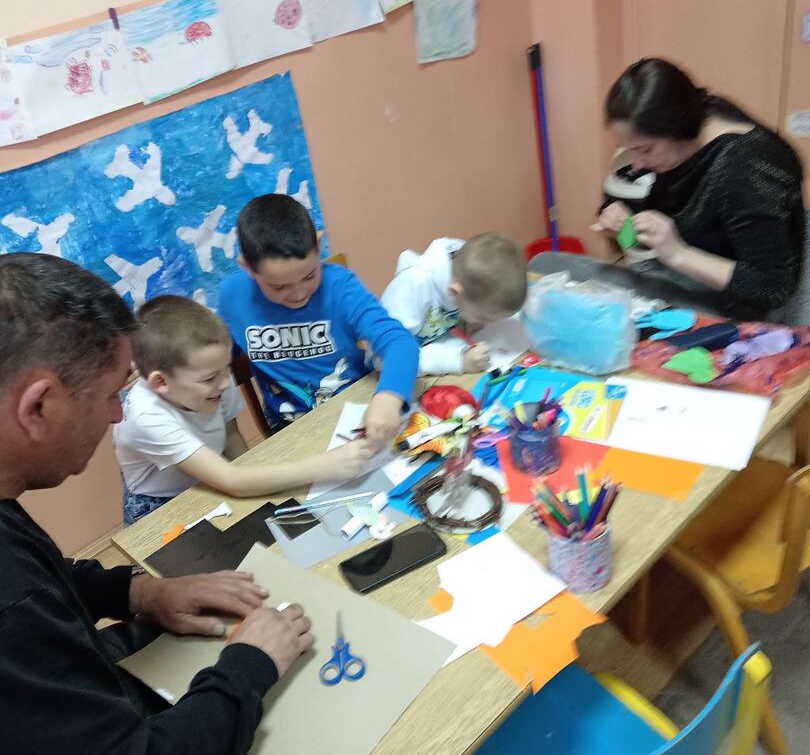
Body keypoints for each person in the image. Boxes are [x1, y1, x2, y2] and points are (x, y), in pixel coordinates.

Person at [0, 252, 391, 755]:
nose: (118, 417)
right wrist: (249, 666)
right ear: (38, 406)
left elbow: (48, 577)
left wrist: (141, 593)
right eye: (111, 396)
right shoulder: (11, 608)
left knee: (189, 641)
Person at [114, 294, 374, 525]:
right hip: (162, 503)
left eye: (225, 368)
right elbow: (231, 480)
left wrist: (256, 484)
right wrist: (326, 466)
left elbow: (230, 436)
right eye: (210, 378)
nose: (225, 383)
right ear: (161, 382)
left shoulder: (213, 375)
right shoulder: (145, 416)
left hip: (213, 475)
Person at [594, 57, 805, 319]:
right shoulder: (689, 134)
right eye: (629, 149)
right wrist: (616, 215)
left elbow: (772, 287)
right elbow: (659, 204)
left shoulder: (746, 166)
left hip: (742, 307)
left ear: (676, 127)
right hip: (691, 280)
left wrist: (678, 254)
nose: (636, 164)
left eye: (645, 149)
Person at [218, 194, 419, 445]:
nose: (298, 294)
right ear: (247, 267)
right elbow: (216, 356)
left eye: (309, 276)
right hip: (291, 428)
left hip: (356, 409)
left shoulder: (340, 287)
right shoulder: (233, 297)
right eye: (278, 286)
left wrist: (389, 398)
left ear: (318, 244)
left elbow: (399, 342)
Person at [380, 234, 528, 375]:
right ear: (455, 292)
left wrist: (462, 320)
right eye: (483, 318)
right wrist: (458, 361)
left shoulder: (463, 274)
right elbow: (387, 358)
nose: (485, 323)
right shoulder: (412, 288)